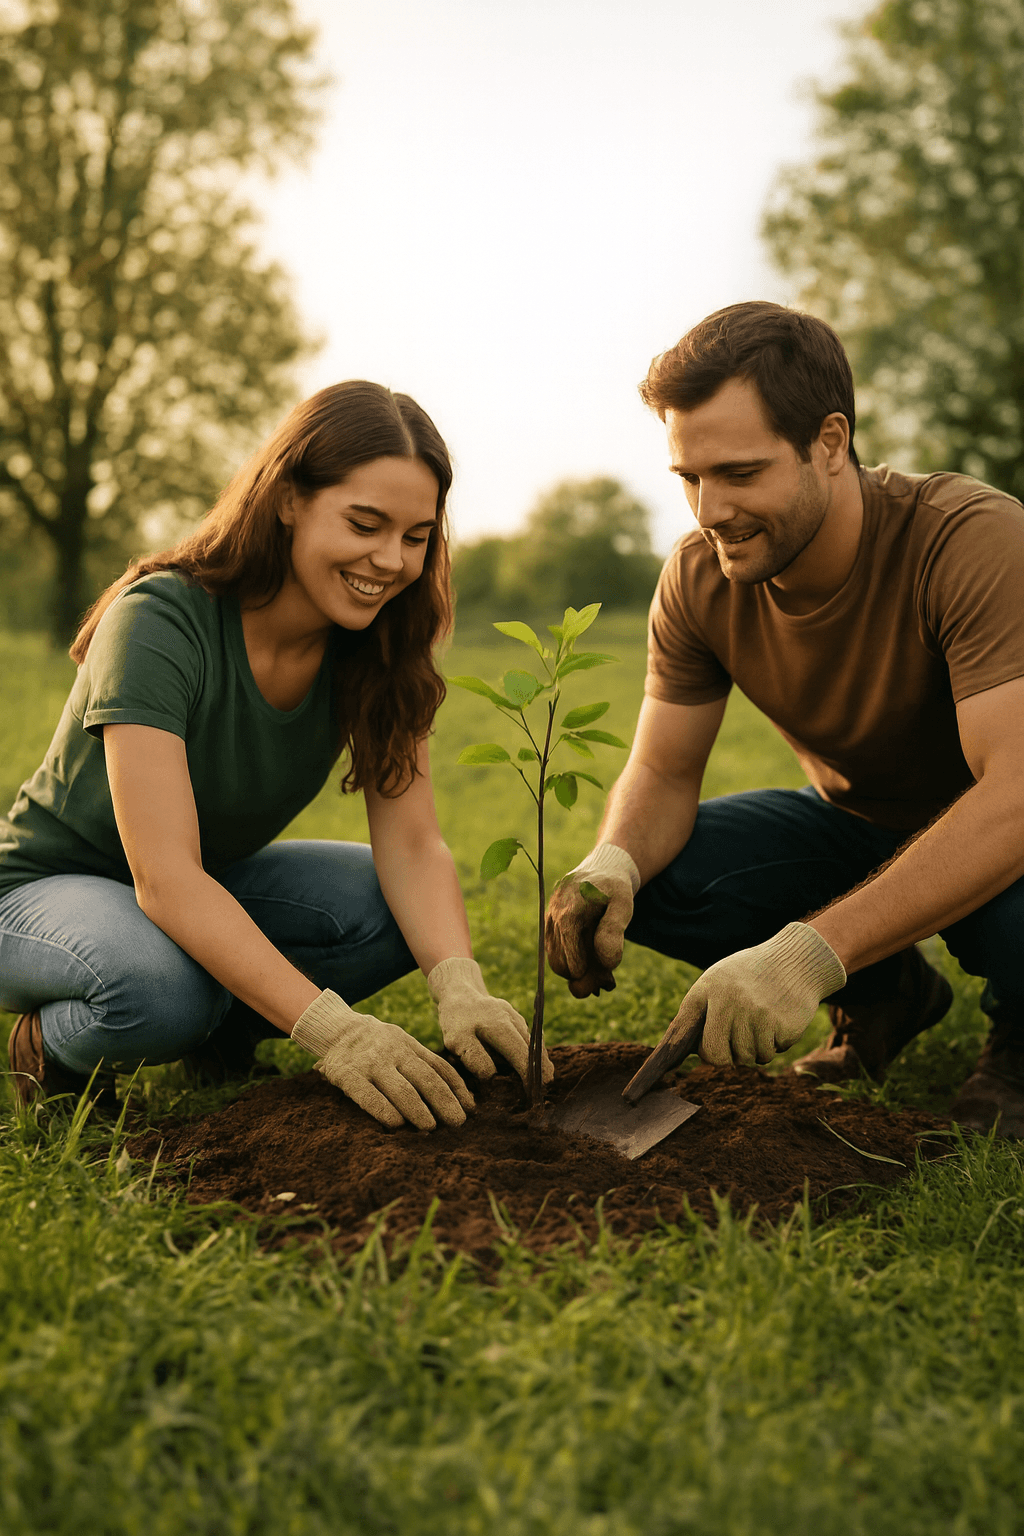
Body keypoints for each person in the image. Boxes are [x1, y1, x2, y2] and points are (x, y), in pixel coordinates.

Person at [2, 381, 549, 1127]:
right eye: (365, 524)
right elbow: (164, 879)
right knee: (160, 990)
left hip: (206, 878)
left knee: (391, 911)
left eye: (416, 537)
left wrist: (461, 985)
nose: (389, 560)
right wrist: (336, 1032)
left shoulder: (379, 646)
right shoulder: (159, 621)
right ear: (288, 499)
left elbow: (414, 845)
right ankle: (52, 1047)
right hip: (46, 890)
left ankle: (222, 1031)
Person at [545, 302, 1024, 1138]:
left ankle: (1018, 1045)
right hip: (861, 821)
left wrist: (808, 954)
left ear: (829, 444)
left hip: (1000, 822)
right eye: (690, 477)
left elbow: (1014, 795)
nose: (708, 509)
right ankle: (887, 993)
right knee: (660, 877)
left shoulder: (970, 541)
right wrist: (612, 863)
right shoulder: (698, 578)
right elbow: (662, 771)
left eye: (739, 472)